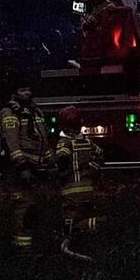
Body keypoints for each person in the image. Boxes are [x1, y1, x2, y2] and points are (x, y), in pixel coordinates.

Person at [0, 78, 55, 252]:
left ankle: (38, 247)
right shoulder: (10, 113)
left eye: (29, 89)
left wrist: (51, 162)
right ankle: (22, 252)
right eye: (23, 90)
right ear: (14, 93)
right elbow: (12, 143)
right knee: (22, 208)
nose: (27, 93)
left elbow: (43, 140)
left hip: (38, 170)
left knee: (38, 208)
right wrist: (22, 168)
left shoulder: (35, 111)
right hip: (19, 171)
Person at [55, 104, 105, 260]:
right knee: (87, 215)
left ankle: (71, 240)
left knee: (70, 220)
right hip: (87, 189)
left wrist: (57, 171)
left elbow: (61, 157)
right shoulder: (87, 142)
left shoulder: (65, 142)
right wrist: (91, 168)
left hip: (70, 189)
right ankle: (92, 237)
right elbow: (100, 154)